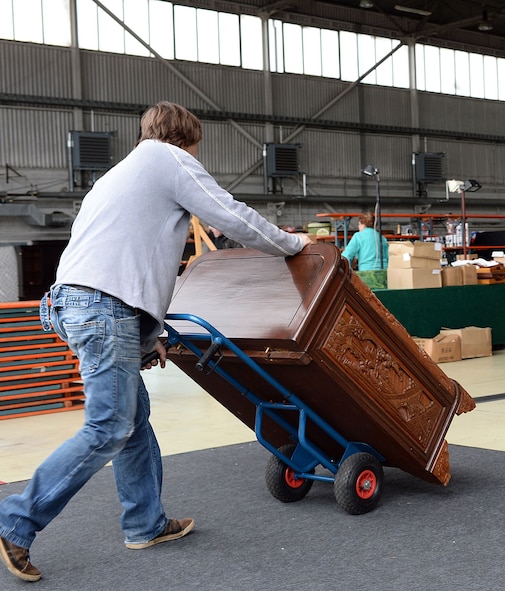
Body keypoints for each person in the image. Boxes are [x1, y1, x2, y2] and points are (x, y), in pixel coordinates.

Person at [0, 101, 311, 583]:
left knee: (133, 420)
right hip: (103, 309)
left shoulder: (118, 174)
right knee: (109, 427)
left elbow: (125, 256)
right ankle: (14, 520)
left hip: (74, 304)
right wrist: (294, 244)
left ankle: (145, 523)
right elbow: (231, 216)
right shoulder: (170, 160)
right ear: (186, 139)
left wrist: (148, 335)